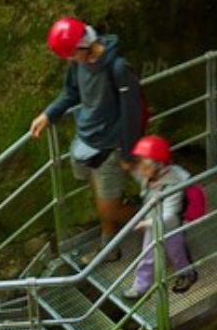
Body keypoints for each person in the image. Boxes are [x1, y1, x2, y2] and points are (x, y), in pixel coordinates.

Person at [29, 18, 145, 254]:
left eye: (72, 54)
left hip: (109, 146)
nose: (70, 59)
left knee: (108, 207)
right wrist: (48, 114)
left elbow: (132, 112)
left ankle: (157, 222)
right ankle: (109, 239)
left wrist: (127, 152)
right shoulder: (79, 62)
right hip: (86, 140)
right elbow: (71, 92)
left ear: (84, 45)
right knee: (99, 197)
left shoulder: (118, 68)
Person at [123, 135, 199, 299]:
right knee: (147, 255)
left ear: (159, 165)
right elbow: (138, 174)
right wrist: (127, 167)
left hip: (169, 226)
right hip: (153, 222)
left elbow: (170, 216)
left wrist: (146, 223)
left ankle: (187, 273)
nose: (140, 169)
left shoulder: (173, 184)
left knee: (177, 253)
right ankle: (140, 286)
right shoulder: (150, 175)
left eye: (144, 164)